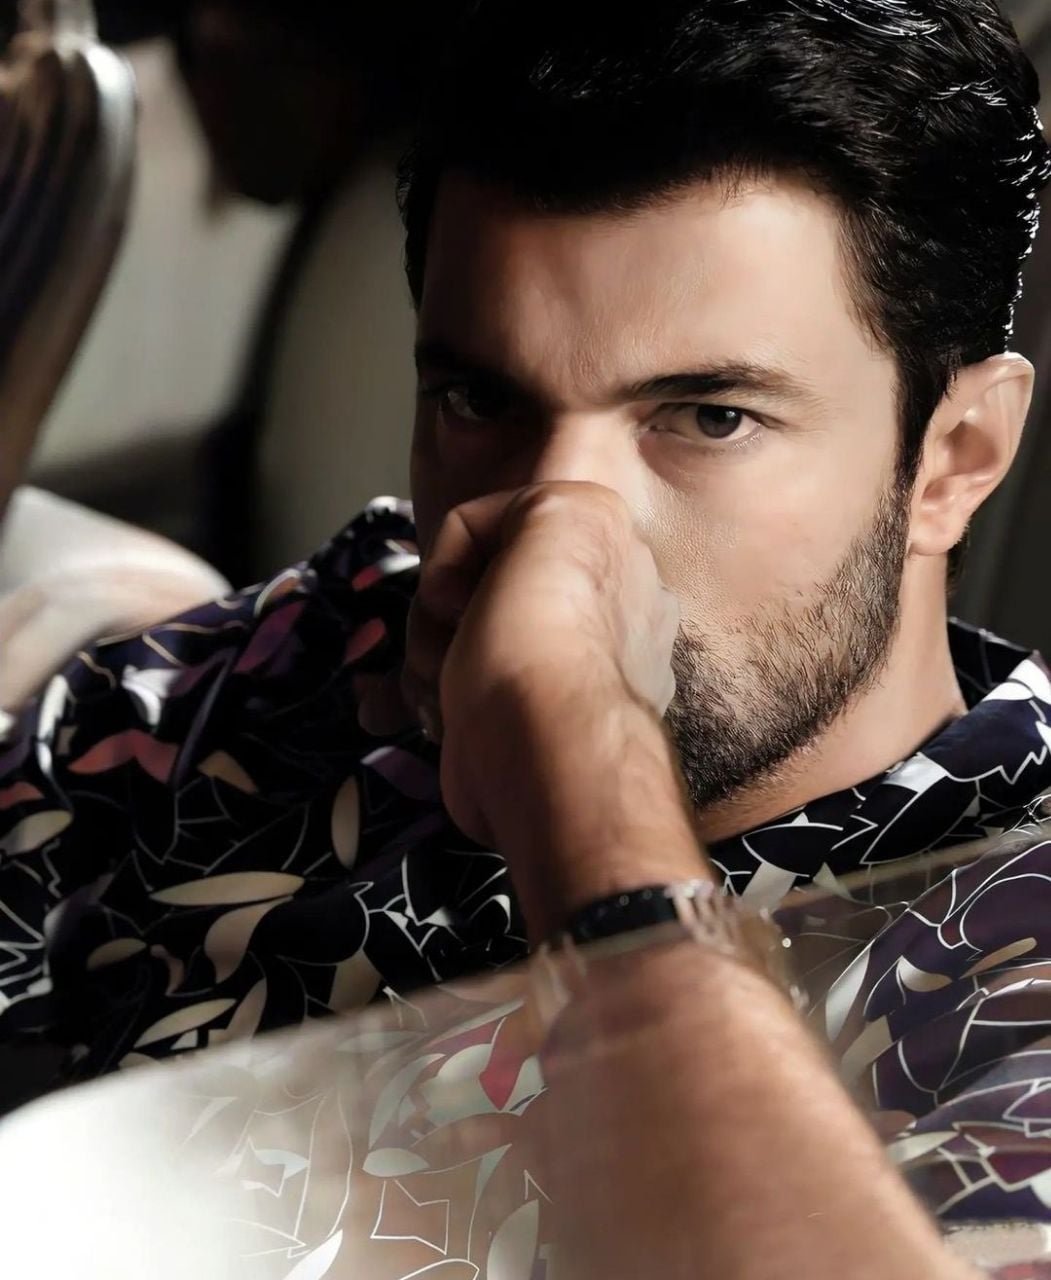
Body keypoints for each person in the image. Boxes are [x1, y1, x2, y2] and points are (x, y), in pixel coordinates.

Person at [2, 0, 1051, 1271]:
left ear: (954, 457)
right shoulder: (328, 640)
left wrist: (579, 760)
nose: (556, 529)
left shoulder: (1010, 948)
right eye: (480, 398)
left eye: (707, 417)